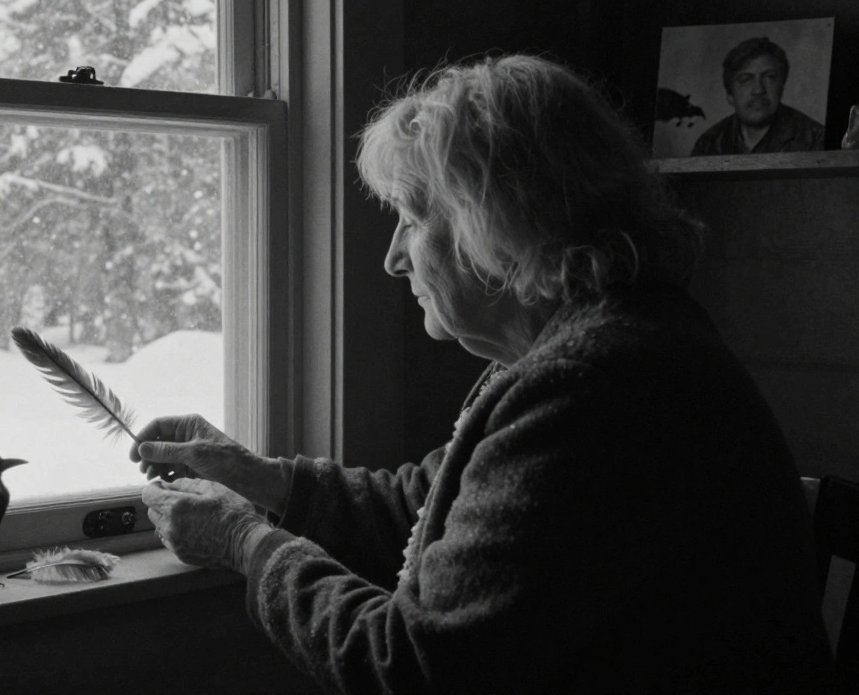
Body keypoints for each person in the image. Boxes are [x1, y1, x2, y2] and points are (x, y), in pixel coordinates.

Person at [132, 54, 834, 693]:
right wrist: (259, 479)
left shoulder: (598, 385)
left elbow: (411, 667)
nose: (393, 260)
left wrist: (245, 543)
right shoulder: (587, 345)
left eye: (411, 219)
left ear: (494, 223)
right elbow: (430, 508)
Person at [690, 36, 824, 155]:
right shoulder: (709, 144)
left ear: (782, 87)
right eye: (745, 79)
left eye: (769, 77)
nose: (758, 90)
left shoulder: (815, 138)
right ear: (730, 94)